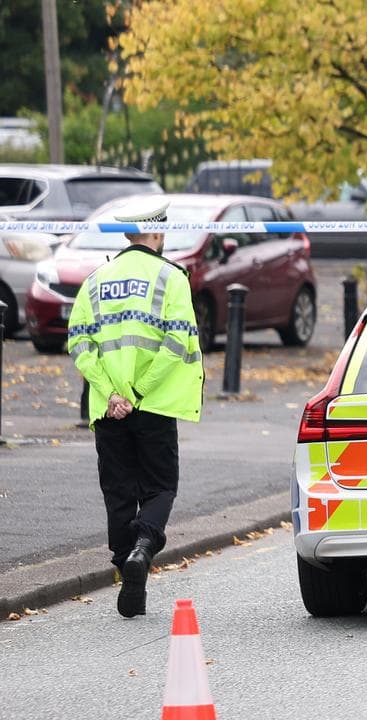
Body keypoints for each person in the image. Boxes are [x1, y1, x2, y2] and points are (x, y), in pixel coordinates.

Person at [67, 196, 204, 618]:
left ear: (128, 234)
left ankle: (129, 577)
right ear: (158, 233)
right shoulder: (171, 278)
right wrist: (138, 393)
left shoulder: (95, 280)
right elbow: (176, 342)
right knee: (161, 488)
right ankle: (144, 549)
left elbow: (79, 343)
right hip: (154, 406)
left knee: (119, 493)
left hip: (108, 411)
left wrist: (111, 393)